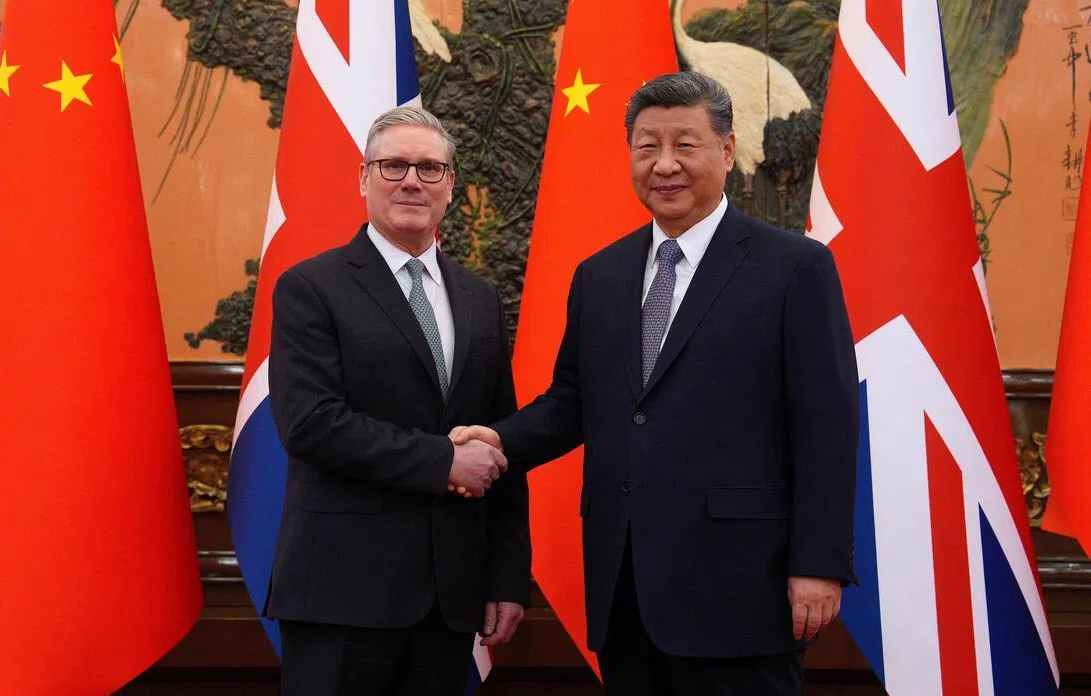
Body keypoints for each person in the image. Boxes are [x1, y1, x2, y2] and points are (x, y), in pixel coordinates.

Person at [452, 71, 859, 695]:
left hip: (742, 588)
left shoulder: (794, 268)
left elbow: (826, 426)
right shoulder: (601, 275)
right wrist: (499, 443)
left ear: (726, 151)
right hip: (626, 589)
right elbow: (573, 403)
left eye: (685, 145)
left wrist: (819, 565)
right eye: (647, 147)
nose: (664, 165)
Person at [264, 105, 531, 696]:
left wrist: (508, 576)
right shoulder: (311, 287)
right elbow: (311, 424)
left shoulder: (479, 298)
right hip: (342, 593)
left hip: (449, 600)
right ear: (363, 179)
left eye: (430, 169)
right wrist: (444, 462)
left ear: (450, 186)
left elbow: (500, 438)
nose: (412, 180)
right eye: (394, 166)